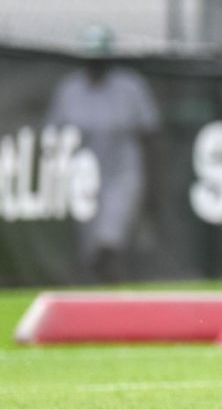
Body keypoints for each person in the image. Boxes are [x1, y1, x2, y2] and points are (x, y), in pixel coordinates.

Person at [45, 24, 161, 283]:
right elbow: (54, 137)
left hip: (122, 171)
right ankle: (98, 290)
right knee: (89, 246)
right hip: (83, 177)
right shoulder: (69, 89)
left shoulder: (130, 87)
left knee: (110, 239)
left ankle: (112, 287)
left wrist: (153, 185)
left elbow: (149, 133)